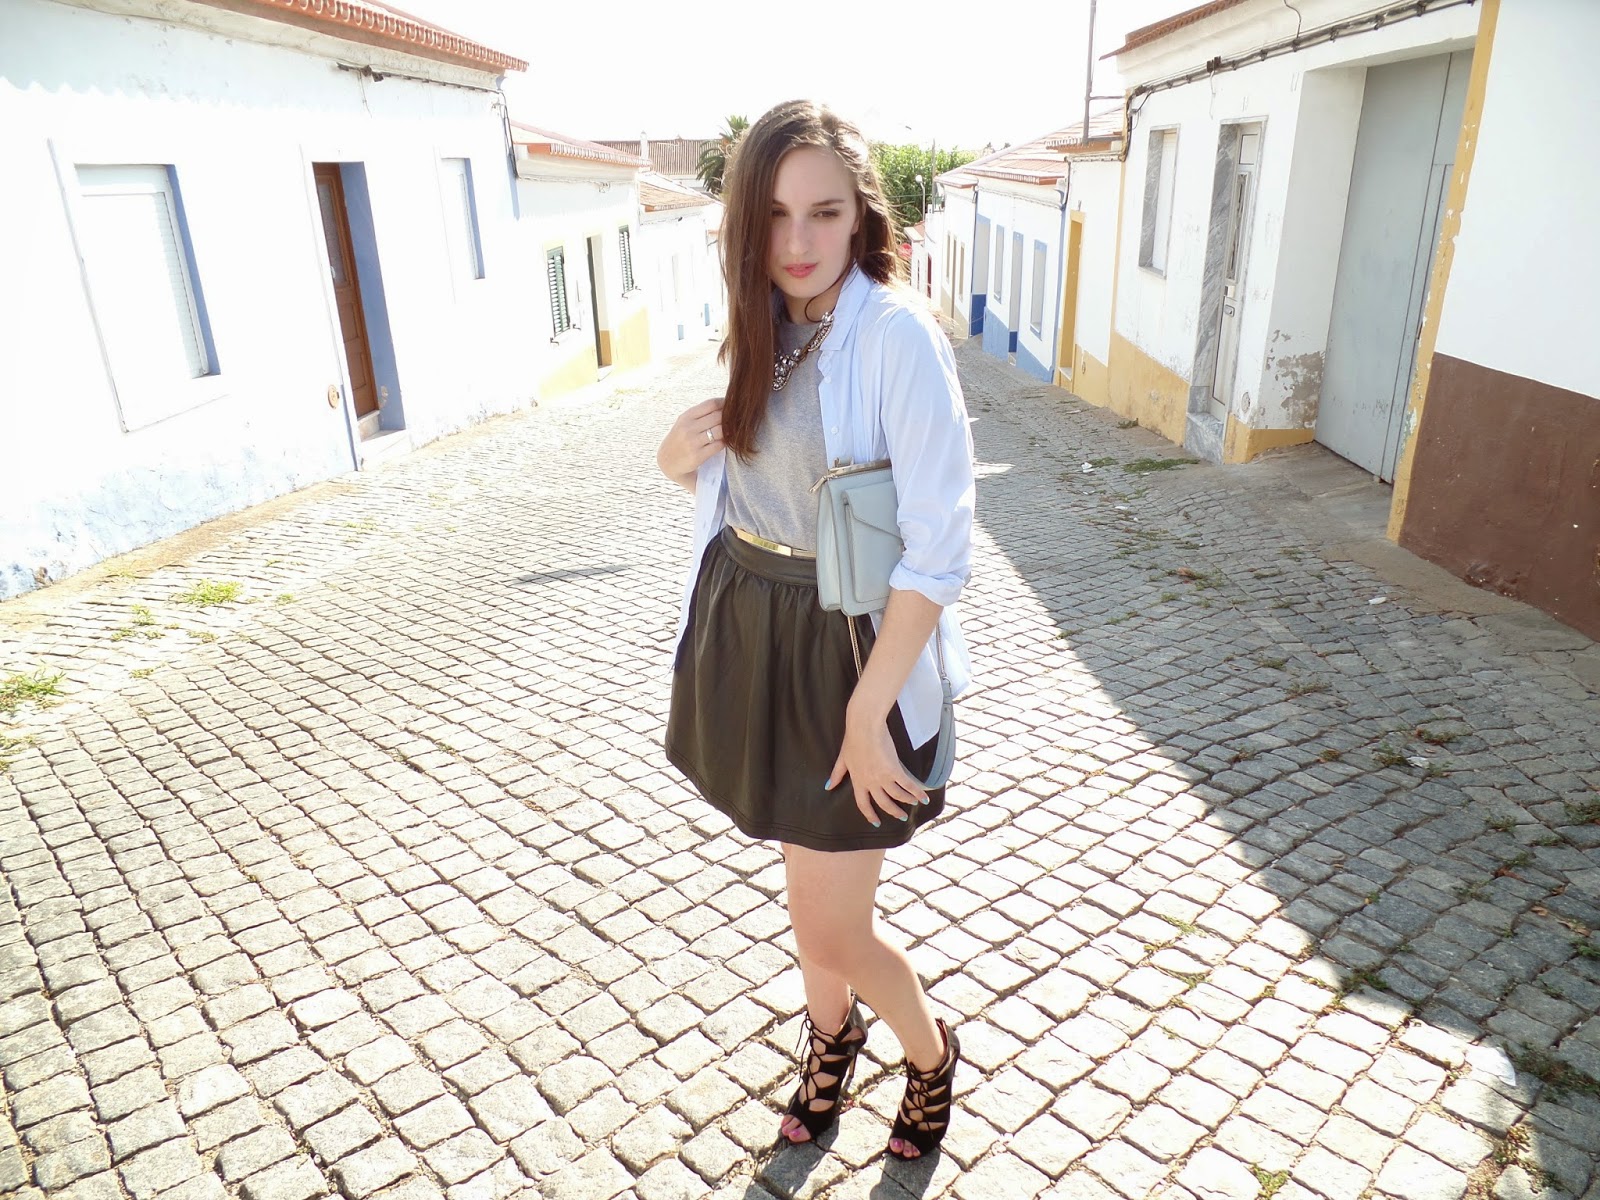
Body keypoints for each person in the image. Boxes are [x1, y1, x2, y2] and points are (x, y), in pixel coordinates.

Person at [656, 100, 975, 1161]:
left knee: (831, 922)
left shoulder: (896, 340)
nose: (797, 242)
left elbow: (936, 551)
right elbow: (754, 486)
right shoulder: (763, 323)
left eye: (824, 213)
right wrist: (676, 461)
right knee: (807, 896)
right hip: (753, 634)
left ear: (859, 216)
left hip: (848, 654)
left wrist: (870, 713)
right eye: (775, 216)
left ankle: (929, 1054)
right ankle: (830, 1040)